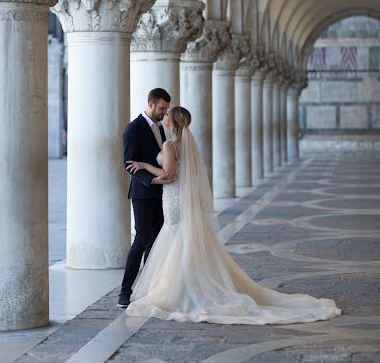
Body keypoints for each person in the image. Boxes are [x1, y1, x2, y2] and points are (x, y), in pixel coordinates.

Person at [125, 106, 341, 324]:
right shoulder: (188, 145)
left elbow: (168, 175)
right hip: (179, 198)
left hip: (173, 199)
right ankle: (185, 284)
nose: (166, 116)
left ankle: (178, 289)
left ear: (173, 121)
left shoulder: (169, 145)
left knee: (176, 236)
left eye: (169, 114)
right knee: (181, 238)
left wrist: (145, 166)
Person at [117, 88, 173, 308]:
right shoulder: (133, 129)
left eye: (166, 109)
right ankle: (125, 291)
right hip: (143, 193)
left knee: (156, 241)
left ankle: (149, 288)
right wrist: (153, 181)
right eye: (161, 108)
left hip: (163, 193)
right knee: (141, 239)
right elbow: (129, 165)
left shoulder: (161, 128)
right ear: (150, 104)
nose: (164, 112)